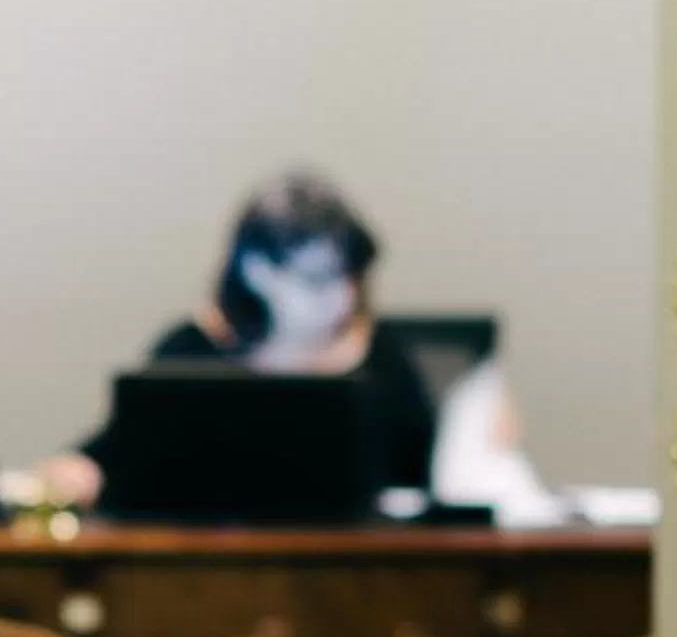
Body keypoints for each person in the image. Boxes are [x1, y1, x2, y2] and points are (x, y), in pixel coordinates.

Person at [37, 171, 439, 509]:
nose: (339, 299)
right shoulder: (190, 352)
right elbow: (120, 452)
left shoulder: (382, 357)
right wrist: (78, 472)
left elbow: (428, 477)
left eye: (345, 276)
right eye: (315, 279)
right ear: (254, 271)